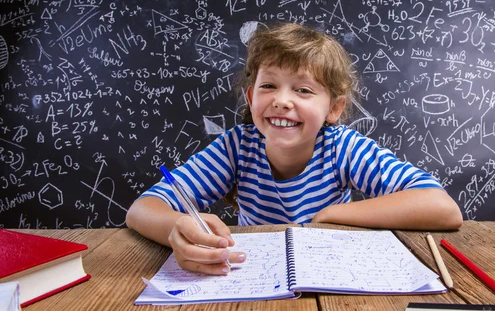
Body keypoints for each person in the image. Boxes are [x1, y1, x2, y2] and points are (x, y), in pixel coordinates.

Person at [126, 22, 463, 275]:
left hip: (331, 276)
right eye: (269, 85)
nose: (281, 100)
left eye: (302, 90)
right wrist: (175, 230)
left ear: (333, 108)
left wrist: (333, 215)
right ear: (251, 97)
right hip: (251, 275)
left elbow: (442, 208)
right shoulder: (235, 147)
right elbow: (141, 210)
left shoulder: (343, 147)